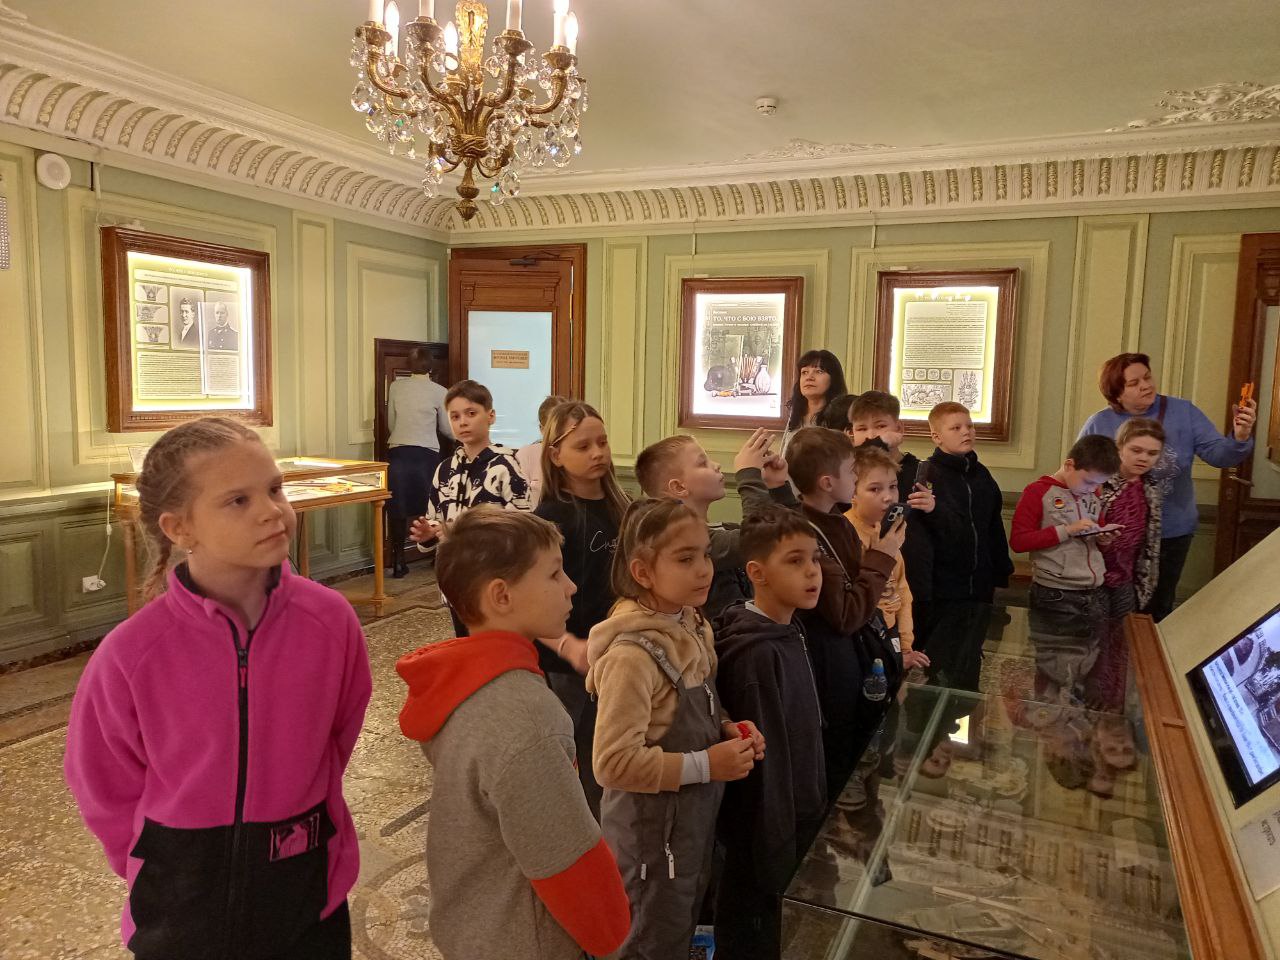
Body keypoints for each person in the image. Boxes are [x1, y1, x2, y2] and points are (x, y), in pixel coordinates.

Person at [64, 417, 371, 960]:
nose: (271, 510)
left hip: (307, 891)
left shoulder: (331, 622)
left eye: (274, 489)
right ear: (180, 528)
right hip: (179, 906)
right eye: (238, 500)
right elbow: (103, 782)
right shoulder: (133, 653)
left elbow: (338, 735)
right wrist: (160, 860)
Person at [396, 507, 631, 960]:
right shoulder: (525, 717)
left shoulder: (467, 684)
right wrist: (611, 933)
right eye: (554, 574)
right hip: (525, 938)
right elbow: (565, 858)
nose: (571, 586)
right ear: (501, 595)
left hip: (476, 925)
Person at [586, 498, 764, 960]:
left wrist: (727, 727)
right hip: (649, 844)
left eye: (705, 553)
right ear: (643, 572)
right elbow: (612, 764)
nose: (704, 569)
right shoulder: (631, 658)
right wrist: (708, 764)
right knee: (648, 941)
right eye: (685, 559)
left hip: (688, 828)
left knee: (680, 927)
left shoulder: (692, 623)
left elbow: (700, 704)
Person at [712, 508, 827, 960]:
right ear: (757, 573)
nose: (812, 571)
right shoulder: (756, 655)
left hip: (794, 817)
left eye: (815, 559)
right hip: (765, 837)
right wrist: (778, 850)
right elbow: (768, 766)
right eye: (795, 561)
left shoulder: (787, 628)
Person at [1078, 352, 1256, 620]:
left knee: (1158, 607)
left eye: (1147, 377)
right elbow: (1079, 477)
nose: (1146, 385)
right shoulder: (1099, 423)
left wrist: (1240, 436)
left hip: (1172, 532)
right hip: (1114, 534)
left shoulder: (1183, 412)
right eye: (1134, 383)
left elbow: (1221, 456)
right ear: (1116, 394)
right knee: (1110, 606)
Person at [785, 426, 903, 797]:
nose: (856, 477)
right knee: (838, 748)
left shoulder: (836, 521)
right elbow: (846, 614)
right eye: (852, 472)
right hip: (827, 659)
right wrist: (882, 557)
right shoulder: (809, 536)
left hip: (845, 654)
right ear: (826, 482)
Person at [532, 400, 631, 817]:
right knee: (574, 748)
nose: (597, 453)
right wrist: (564, 644)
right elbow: (531, 597)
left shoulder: (622, 506)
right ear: (556, 455)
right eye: (583, 446)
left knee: (611, 744)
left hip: (617, 650)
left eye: (602, 443)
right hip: (569, 659)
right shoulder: (550, 518)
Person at [634, 429, 796, 619]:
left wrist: (778, 488)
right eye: (703, 463)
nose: (717, 465)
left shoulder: (724, 529)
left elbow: (791, 537)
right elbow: (758, 539)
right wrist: (749, 475)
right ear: (679, 487)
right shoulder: (688, 543)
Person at [409, 379, 531, 632]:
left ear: (490, 416)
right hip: (455, 578)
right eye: (455, 416)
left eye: (471, 413)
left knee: (495, 645)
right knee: (464, 642)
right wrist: (428, 533)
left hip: (493, 578)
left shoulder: (506, 466)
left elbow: (524, 527)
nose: (462, 422)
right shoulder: (445, 470)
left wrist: (470, 535)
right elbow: (435, 517)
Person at [1010, 435, 1121, 705]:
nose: (1093, 489)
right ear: (1069, 465)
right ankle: (1048, 711)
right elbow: (1019, 541)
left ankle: (1077, 714)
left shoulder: (1093, 494)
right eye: (1089, 481)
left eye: (1099, 484)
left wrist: (1103, 538)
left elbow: (1094, 533)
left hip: (1093, 591)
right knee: (1053, 664)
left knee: (1089, 657)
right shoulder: (1037, 493)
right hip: (1055, 593)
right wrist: (1067, 530)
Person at [911, 402, 1014, 692]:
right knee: (937, 665)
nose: (966, 432)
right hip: (943, 589)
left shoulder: (982, 475)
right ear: (937, 436)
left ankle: (963, 711)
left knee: (969, 663)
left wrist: (1000, 572)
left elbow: (993, 526)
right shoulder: (928, 476)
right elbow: (924, 536)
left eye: (969, 425)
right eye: (955, 428)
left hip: (979, 586)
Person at [1090, 419, 1166, 710]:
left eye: (1152, 453)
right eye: (1136, 450)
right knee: (1093, 638)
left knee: (1121, 640)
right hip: (1093, 576)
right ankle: (1087, 697)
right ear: (1120, 447)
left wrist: (1144, 583)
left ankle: (1113, 701)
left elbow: (1151, 540)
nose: (1143, 458)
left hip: (1127, 577)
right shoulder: (1100, 483)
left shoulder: (1151, 488)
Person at [844, 443, 931, 677]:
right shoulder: (846, 533)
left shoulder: (890, 529)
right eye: (874, 489)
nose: (888, 497)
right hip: (863, 638)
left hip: (890, 633)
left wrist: (905, 646)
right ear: (852, 492)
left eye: (893, 487)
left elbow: (901, 590)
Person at [845, 390, 937, 599]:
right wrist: (880, 443)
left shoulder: (919, 471)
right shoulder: (848, 472)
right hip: (866, 578)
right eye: (861, 429)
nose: (871, 435)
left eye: (880, 426)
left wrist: (933, 509)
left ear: (899, 428)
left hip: (915, 577)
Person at [385, 347, 451, 577]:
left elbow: (391, 424)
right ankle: (435, 555)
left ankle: (398, 561)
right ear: (431, 366)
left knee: (397, 508)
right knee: (431, 506)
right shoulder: (440, 391)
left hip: (399, 453)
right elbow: (446, 429)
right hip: (426, 455)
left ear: (408, 365)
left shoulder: (396, 387)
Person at [781, 349, 848, 453]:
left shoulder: (841, 417)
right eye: (804, 372)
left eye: (819, 371)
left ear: (833, 379)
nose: (809, 377)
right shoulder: (795, 415)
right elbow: (784, 455)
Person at [516, 394, 568, 508]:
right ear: (542, 429)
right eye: (555, 427)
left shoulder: (576, 455)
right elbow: (519, 503)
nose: (562, 433)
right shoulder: (526, 455)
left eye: (566, 426)